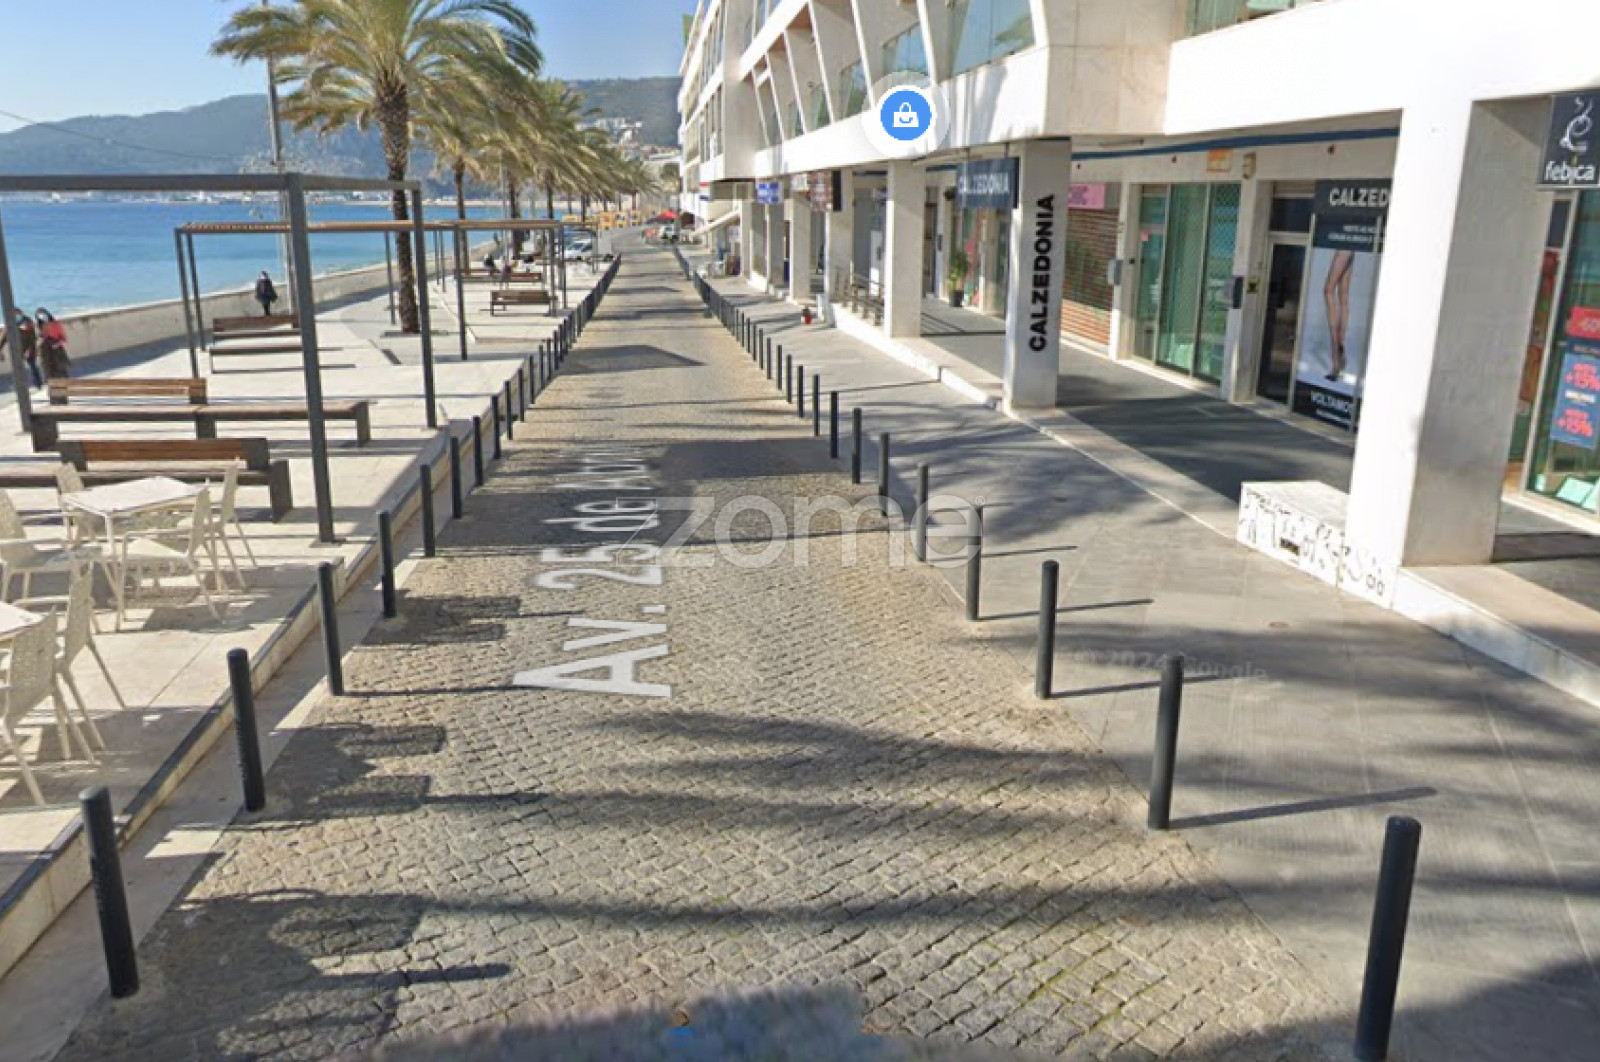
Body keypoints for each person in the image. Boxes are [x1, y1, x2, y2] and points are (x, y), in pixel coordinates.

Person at [0, 309, 41, 389]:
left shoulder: (27, 321)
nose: (16, 315)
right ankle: (22, 386)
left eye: (17, 313)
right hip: (17, 350)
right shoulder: (10, 323)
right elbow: (4, 337)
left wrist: (29, 350)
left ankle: (38, 383)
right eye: (14, 314)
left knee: (33, 366)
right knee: (18, 369)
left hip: (29, 349)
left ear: (21, 313)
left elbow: (32, 338)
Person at [35, 308, 70, 381]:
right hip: (45, 352)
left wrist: (57, 344)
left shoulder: (55, 323)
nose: (42, 316)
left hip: (56, 350)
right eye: (39, 315)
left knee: (61, 371)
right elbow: (38, 339)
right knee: (48, 372)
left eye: (43, 313)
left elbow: (63, 338)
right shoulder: (39, 326)